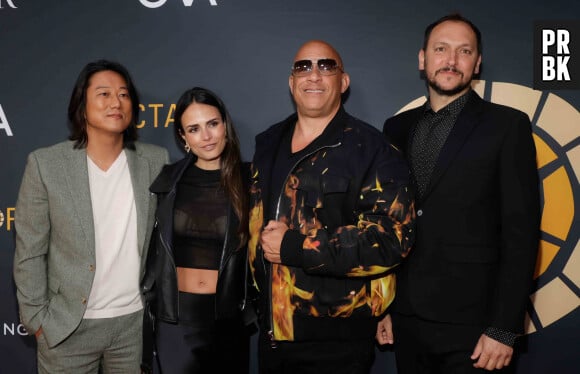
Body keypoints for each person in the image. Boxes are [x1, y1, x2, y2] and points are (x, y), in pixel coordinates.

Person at [378, 13, 540, 373]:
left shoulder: (507, 125)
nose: (451, 60)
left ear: (477, 62)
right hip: (407, 318)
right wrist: (386, 306)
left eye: (464, 51)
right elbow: (389, 223)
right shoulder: (396, 128)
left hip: (476, 328)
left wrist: (504, 329)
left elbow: (522, 233)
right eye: (441, 49)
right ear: (423, 59)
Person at [248, 40, 415, 374]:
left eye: (326, 66)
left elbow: (391, 239)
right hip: (272, 332)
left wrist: (296, 247)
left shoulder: (372, 148)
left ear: (343, 81)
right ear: (291, 82)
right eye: (303, 67)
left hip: (338, 342)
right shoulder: (268, 143)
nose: (314, 75)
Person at [13, 60, 169, 373]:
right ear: (82, 106)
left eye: (124, 95)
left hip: (131, 327)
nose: (116, 102)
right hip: (67, 326)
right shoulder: (46, 164)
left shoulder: (155, 160)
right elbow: (30, 250)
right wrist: (36, 321)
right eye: (104, 94)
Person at [141, 87, 251, 373]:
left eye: (213, 124)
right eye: (194, 129)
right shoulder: (168, 181)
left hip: (227, 321)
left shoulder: (250, 181)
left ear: (225, 125)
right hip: (176, 322)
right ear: (183, 137)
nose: (207, 136)